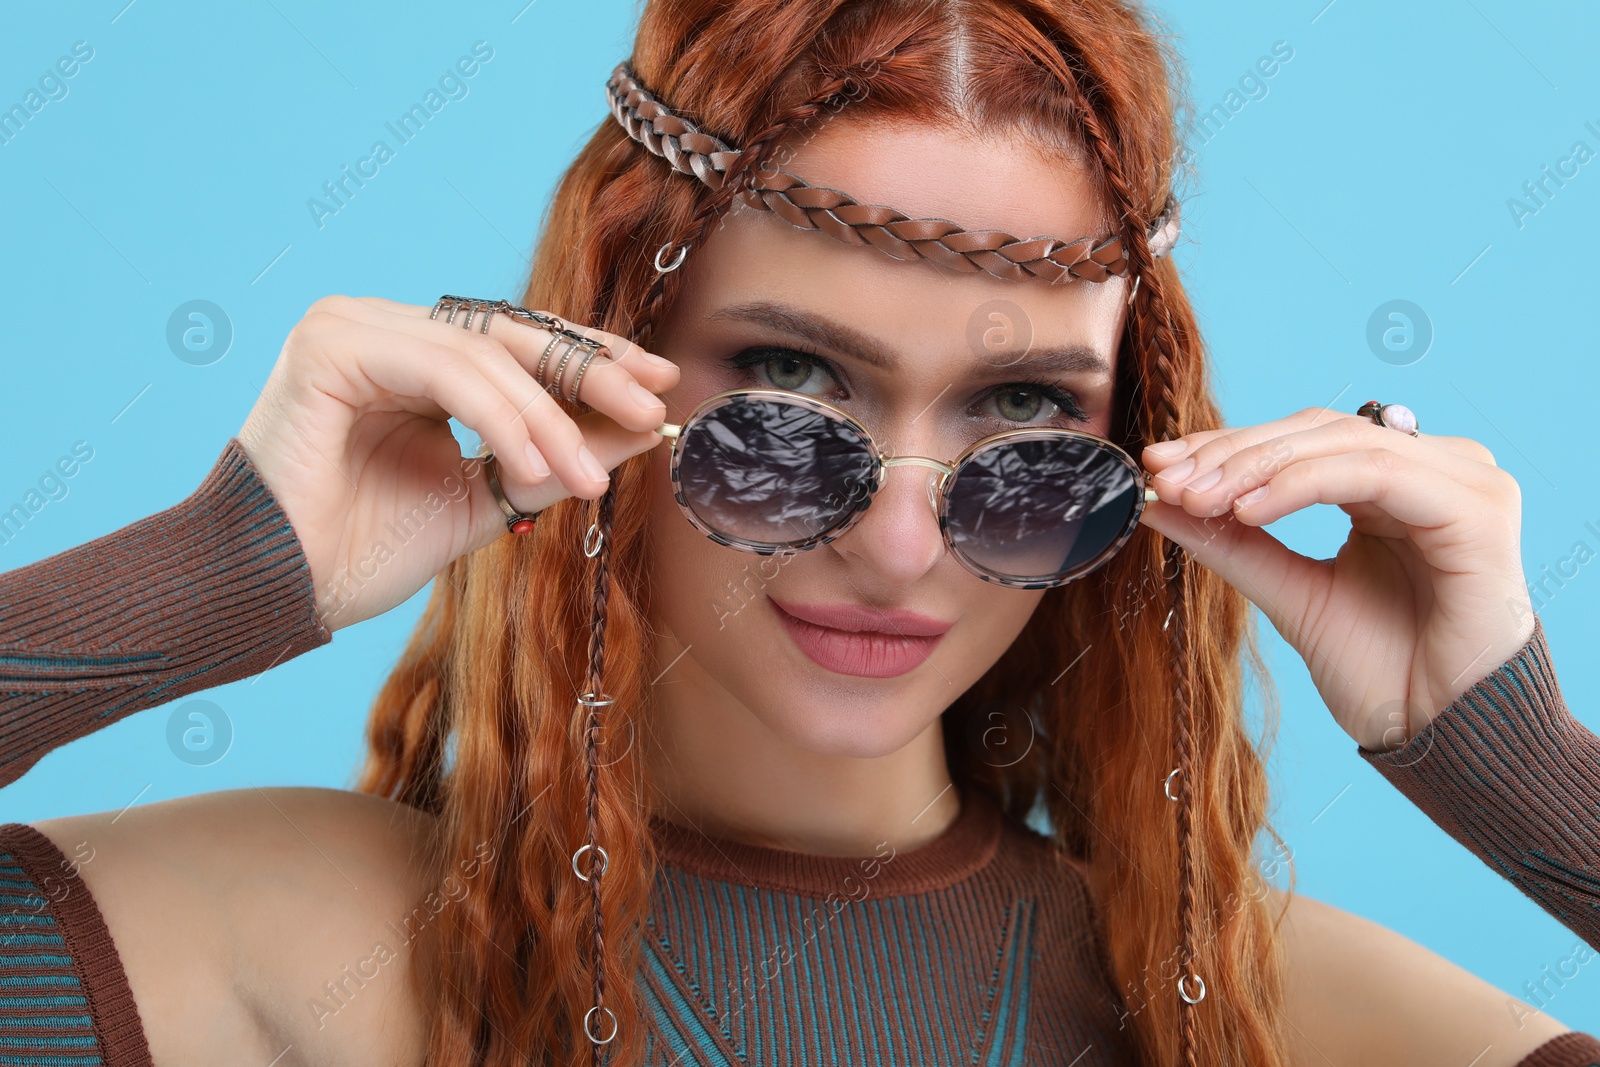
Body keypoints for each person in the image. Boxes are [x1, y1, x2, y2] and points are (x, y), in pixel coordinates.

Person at [2, 0, 1599, 1064]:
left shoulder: (1273, 1016)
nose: (902, 550)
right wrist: (212, 576)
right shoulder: (274, 942)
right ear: (613, 360)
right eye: (789, 385)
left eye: (1025, 420)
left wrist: (1515, 762)